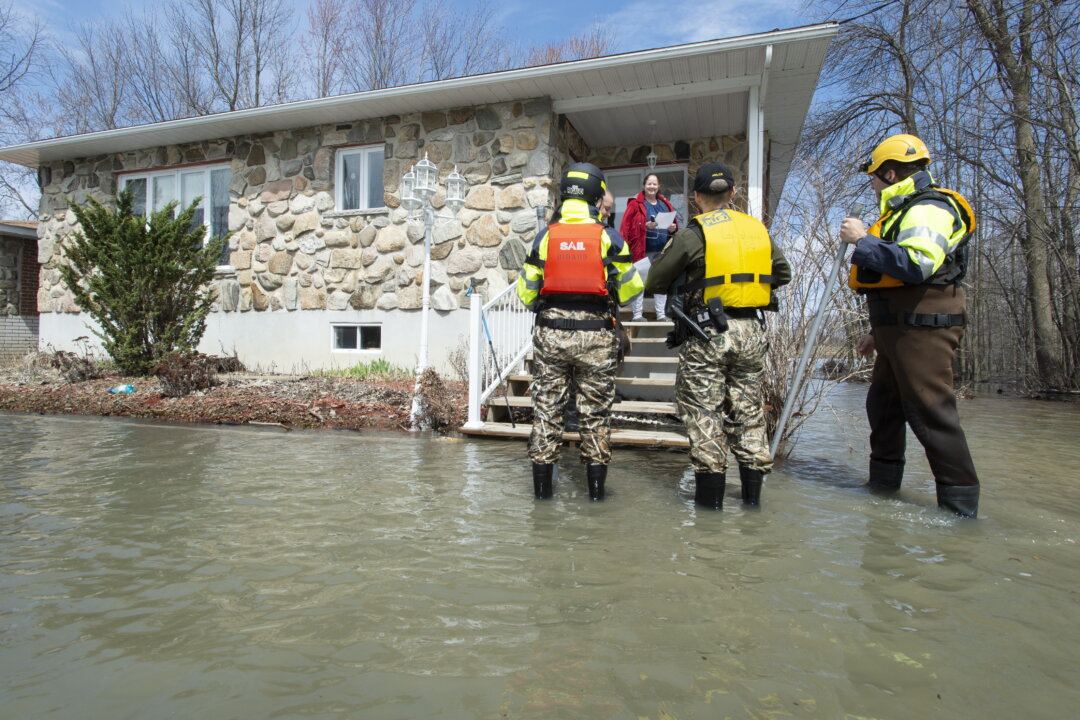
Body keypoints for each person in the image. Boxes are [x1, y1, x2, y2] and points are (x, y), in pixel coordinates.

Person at [840, 133, 980, 518]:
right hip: (899, 328)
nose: (871, 184)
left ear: (890, 172)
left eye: (873, 177)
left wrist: (862, 240)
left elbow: (917, 265)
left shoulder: (928, 208)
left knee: (930, 411)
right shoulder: (903, 209)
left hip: (924, 326)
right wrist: (878, 332)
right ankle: (882, 492)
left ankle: (959, 511)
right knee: (883, 406)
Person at [646, 163, 790, 509]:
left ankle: (710, 512)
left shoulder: (695, 233)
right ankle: (753, 504)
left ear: (696, 197)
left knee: (704, 414)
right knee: (749, 413)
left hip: (708, 333)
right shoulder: (758, 230)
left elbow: (655, 281)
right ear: (733, 194)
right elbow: (782, 272)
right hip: (752, 332)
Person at [517, 163, 643, 500]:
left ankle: (542, 500)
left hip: (551, 335)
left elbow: (526, 293)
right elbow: (631, 289)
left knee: (547, 412)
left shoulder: (545, 237)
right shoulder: (608, 237)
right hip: (596, 337)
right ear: (597, 196)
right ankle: (596, 497)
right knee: (596, 416)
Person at [621, 173, 679, 321]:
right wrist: (644, 226)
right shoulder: (635, 203)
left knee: (660, 282)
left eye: (654, 184)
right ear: (644, 186)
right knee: (639, 282)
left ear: (659, 186)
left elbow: (674, 224)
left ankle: (660, 315)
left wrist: (673, 228)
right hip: (642, 250)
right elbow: (625, 226)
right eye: (649, 184)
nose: (652, 187)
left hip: (662, 250)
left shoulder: (665, 203)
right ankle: (637, 315)